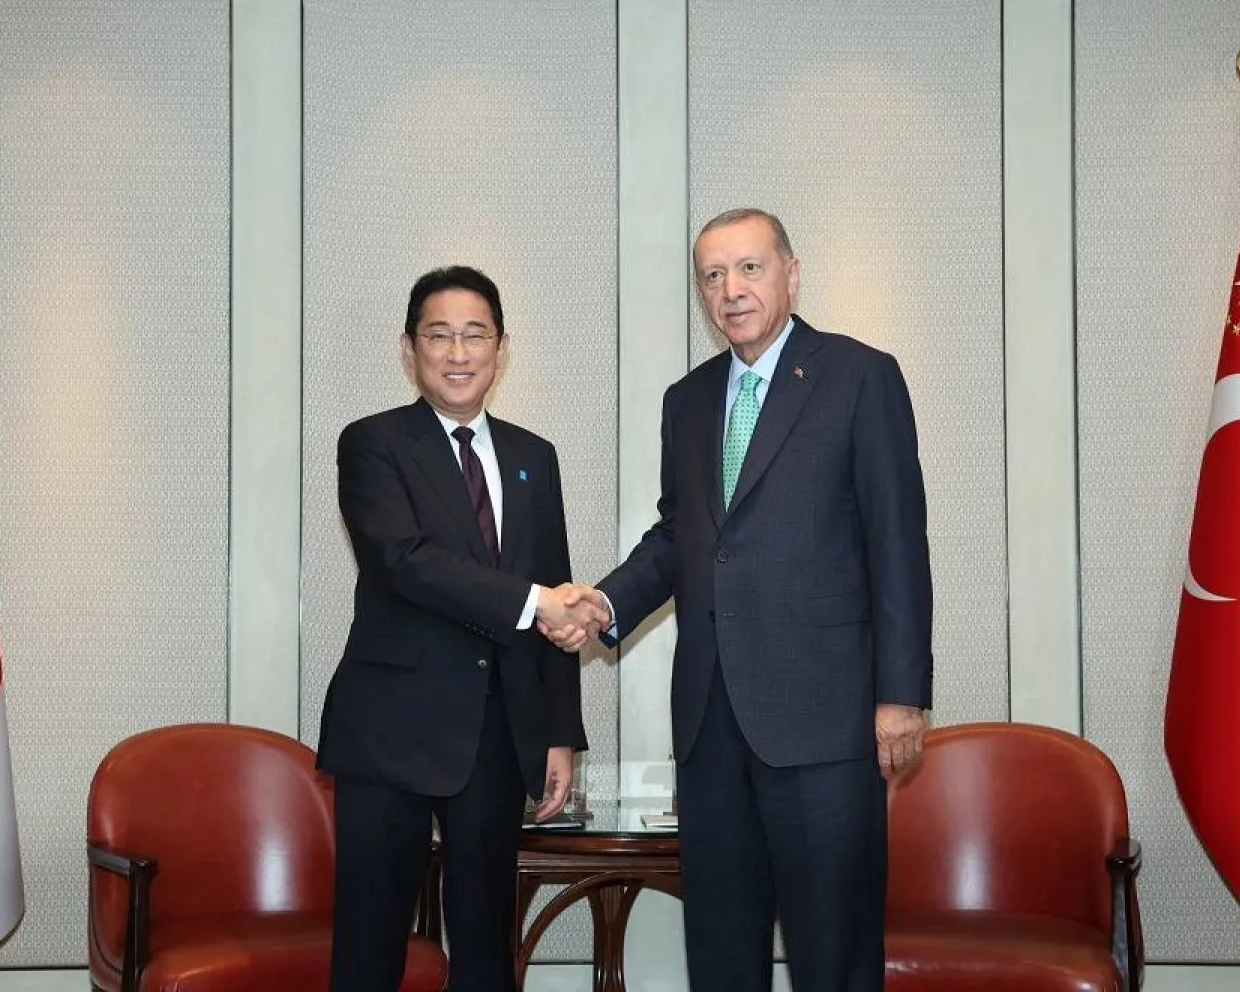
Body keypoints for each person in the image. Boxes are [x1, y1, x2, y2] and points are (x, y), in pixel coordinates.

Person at [550, 209, 934, 990]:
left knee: (833, 954)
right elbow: (679, 537)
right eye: (714, 276)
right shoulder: (687, 401)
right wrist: (605, 603)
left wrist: (901, 695)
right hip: (711, 724)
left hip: (824, 722)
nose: (732, 290)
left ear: (792, 272)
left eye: (750, 268)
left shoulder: (860, 377)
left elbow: (898, 542)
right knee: (722, 953)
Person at [318, 265, 601, 992]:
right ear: (409, 349)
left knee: (484, 943)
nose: (457, 352)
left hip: (497, 735)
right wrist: (539, 600)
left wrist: (559, 731)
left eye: (474, 335)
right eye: (438, 335)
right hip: (389, 730)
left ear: (501, 347)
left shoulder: (534, 456)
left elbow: (554, 579)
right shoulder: (372, 444)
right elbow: (405, 561)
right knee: (371, 943)